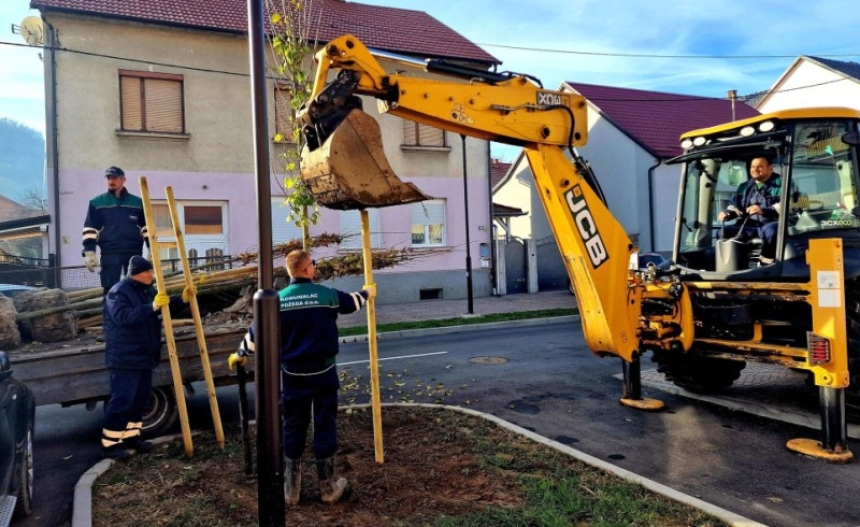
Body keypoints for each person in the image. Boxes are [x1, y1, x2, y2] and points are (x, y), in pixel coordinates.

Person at [230, 250, 376, 506]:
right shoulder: (326, 295)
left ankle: (291, 490)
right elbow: (353, 303)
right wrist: (367, 293)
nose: (315, 268)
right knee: (324, 425)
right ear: (307, 269)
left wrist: (240, 354)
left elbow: (255, 335)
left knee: (293, 426)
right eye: (313, 265)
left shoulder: (276, 300)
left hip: (293, 375)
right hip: (324, 374)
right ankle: (328, 488)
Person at [100, 255, 193, 461]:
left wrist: (182, 300)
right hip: (125, 358)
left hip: (144, 355)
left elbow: (163, 307)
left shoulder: (147, 290)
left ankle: (132, 437)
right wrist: (151, 307)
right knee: (122, 401)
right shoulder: (118, 292)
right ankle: (110, 444)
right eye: (148, 271)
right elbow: (123, 317)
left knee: (139, 401)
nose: (152, 274)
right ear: (137, 274)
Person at [82, 166, 149, 297]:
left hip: (133, 253)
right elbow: (90, 229)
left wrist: (152, 249)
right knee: (110, 291)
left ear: (123, 180)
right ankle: (110, 317)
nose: (111, 181)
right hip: (110, 253)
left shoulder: (138, 203)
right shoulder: (97, 203)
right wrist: (89, 253)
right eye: (108, 178)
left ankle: (136, 316)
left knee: (137, 289)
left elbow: (147, 228)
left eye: (115, 178)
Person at [717, 156, 785, 265]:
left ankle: (766, 264)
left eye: (760, 167)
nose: (755, 169)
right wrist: (728, 214)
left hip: (772, 222)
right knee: (723, 232)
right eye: (753, 167)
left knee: (772, 231)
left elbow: (789, 205)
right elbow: (735, 207)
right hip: (750, 225)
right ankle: (736, 266)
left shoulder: (783, 184)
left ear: (770, 168)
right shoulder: (744, 187)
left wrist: (764, 210)